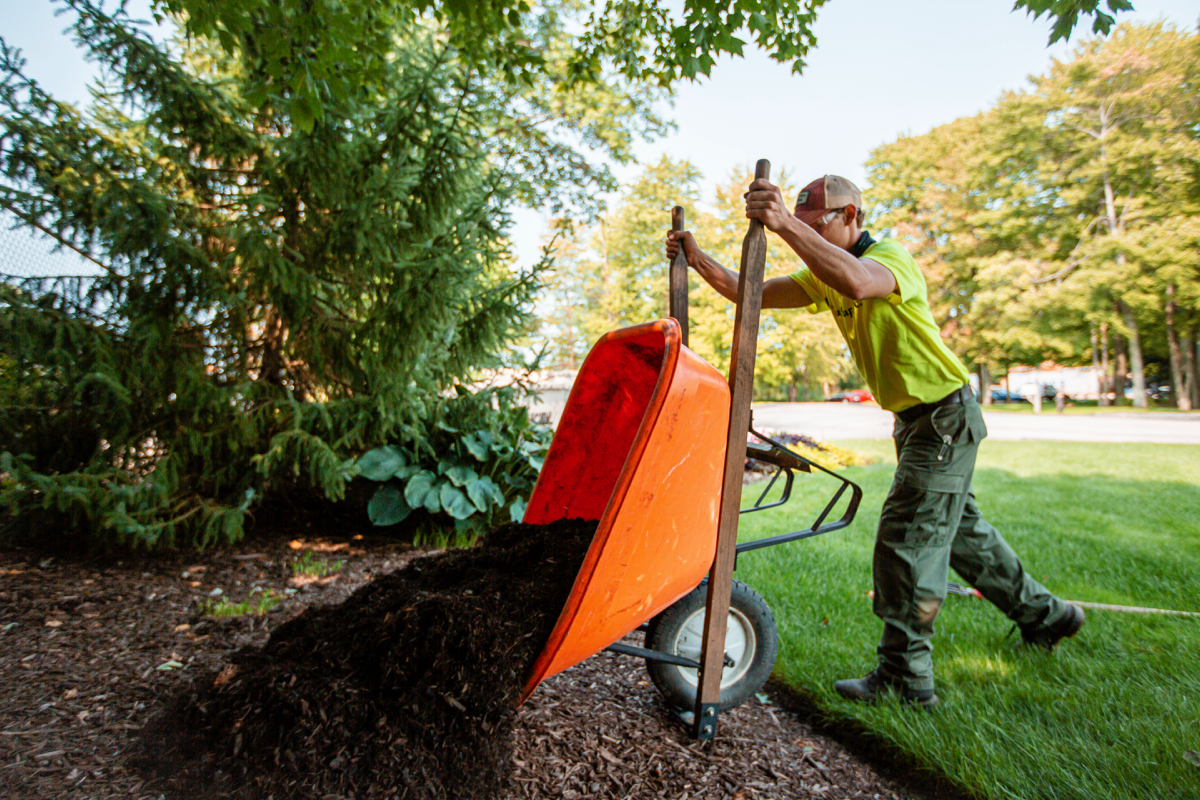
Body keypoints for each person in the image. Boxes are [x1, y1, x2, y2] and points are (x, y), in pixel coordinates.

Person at [666, 174, 1084, 709]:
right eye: (804, 225)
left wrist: (786, 225)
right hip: (916, 423)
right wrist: (697, 258)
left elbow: (861, 283)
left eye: (818, 224)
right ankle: (1051, 618)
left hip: (943, 417)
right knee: (960, 535)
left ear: (851, 216)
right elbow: (746, 292)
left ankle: (906, 679)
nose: (808, 235)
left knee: (906, 539)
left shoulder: (889, 259)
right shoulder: (826, 272)